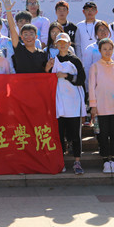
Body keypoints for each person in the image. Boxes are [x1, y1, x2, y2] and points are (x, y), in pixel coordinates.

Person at [47, 33, 86, 175]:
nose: (62, 45)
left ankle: (77, 162)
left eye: (65, 42)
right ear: (55, 44)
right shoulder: (53, 60)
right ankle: (60, 162)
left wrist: (66, 76)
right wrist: (47, 68)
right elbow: (47, 80)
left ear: (69, 44)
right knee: (59, 134)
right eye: (59, 42)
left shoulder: (75, 60)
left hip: (73, 101)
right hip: (59, 102)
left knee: (75, 134)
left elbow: (81, 79)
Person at [88, 38, 114, 174]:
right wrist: (93, 105)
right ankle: (105, 161)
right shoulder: (95, 67)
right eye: (105, 49)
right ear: (100, 50)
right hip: (100, 106)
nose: (107, 51)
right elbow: (91, 87)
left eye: (110, 49)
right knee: (102, 134)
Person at [3, 0, 48, 74]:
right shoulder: (19, 50)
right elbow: (13, 29)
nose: (29, 37)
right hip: (19, 81)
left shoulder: (43, 54)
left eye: (31, 34)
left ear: (36, 36)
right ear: (22, 37)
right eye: (26, 35)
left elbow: (45, 72)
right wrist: (8, 11)